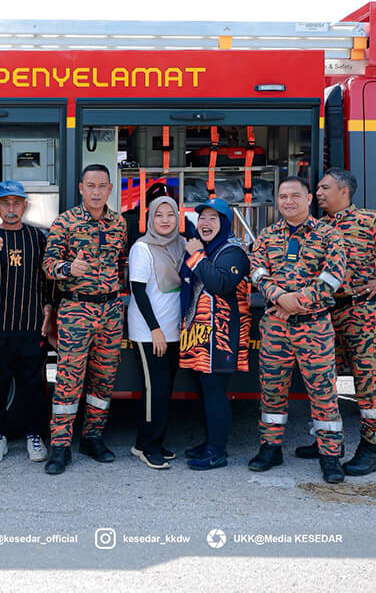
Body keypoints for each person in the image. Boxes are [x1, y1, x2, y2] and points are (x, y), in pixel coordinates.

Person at [298, 168, 376, 475]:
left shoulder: (371, 220)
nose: (318, 193)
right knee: (324, 382)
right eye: (318, 189)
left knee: (367, 383)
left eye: (325, 188)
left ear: (344, 190)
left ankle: (371, 450)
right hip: (326, 314)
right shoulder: (317, 227)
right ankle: (328, 442)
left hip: (362, 313)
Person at [248, 176, 347, 484]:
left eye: (294, 195)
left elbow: (333, 277)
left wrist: (296, 302)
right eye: (282, 196)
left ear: (308, 199)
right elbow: (257, 272)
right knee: (272, 390)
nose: (288, 201)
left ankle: (330, 455)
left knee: (323, 392)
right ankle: (270, 448)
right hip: (275, 327)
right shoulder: (267, 236)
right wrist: (280, 297)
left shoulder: (329, 235)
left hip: (314, 327)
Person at [41, 164, 128, 474]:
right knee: (69, 380)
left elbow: (121, 263)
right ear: (81, 188)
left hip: (111, 311)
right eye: (90, 185)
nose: (96, 191)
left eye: (102, 186)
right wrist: (68, 269)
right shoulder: (65, 222)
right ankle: (60, 446)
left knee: (104, 379)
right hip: (76, 310)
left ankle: (92, 437)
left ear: (110, 189)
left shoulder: (118, 223)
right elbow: (48, 265)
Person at [0, 180, 55, 465]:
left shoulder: (37, 237)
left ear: (24, 206)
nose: (11, 208)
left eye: (16, 203)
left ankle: (35, 435)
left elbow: (48, 277)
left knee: (34, 385)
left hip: (32, 326)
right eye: (5, 203)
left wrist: (49, 306)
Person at [177, 198, 251, 471]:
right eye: (202, 218)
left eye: (213, 218)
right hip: (199, 333)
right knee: (205, 391)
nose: (205, 223)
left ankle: (217, 452)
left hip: (221, 334)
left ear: (224, 223)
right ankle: (210, 443)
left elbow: (220, 283)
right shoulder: (207, 248)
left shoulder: (232, 250)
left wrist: (197, 255)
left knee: (215, 391)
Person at [126, 196, 186, 470]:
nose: (165, 220)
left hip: (173, 330)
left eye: (170, 214)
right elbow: (138, 291)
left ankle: (145, 442)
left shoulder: (181, 245)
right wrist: (155, 330)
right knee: (156, 391)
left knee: (165, 389)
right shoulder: (142, 248)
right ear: (150, 218)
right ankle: (150, 447)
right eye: (159, 215)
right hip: (150, 331)